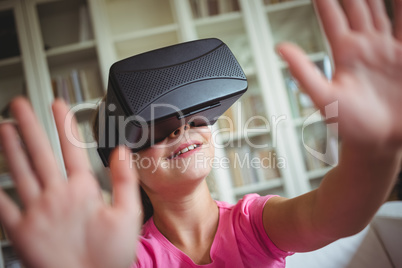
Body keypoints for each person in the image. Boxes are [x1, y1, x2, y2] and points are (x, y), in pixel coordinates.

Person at [0, 0, 401, 267]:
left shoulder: (252, 225)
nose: (182, 128)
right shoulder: (127, 255)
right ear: (126, 165)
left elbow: (333, 216)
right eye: (157, 128)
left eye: (196, 117)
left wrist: (376, 151)